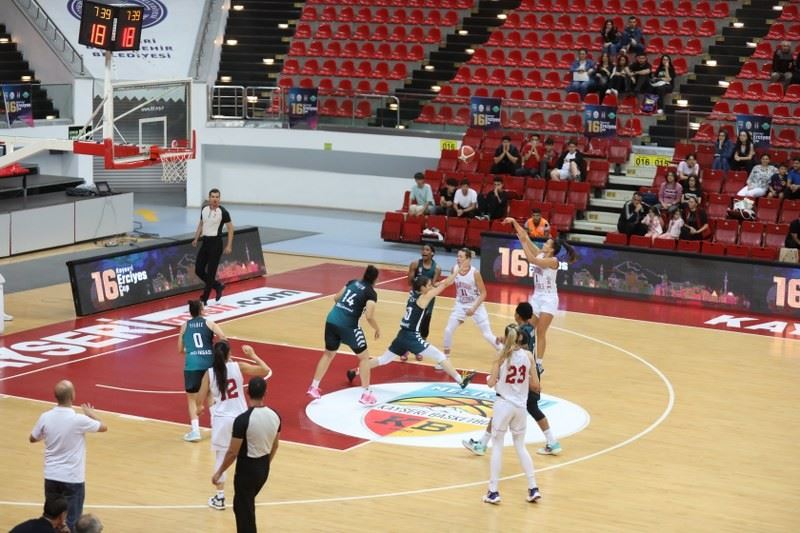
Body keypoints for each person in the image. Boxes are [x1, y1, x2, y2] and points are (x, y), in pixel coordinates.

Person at [463, 302, 561, 457]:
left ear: (517, 315)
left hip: (523, 375)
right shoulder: (530, 328)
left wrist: (504, 346)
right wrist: (505, 339)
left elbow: (518, 345)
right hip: (529, 372)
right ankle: (552, 442)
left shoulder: (523, 332)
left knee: (507, 405)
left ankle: (482, 444)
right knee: (529, 408)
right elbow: (517, 340)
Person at [346, 274, 478, 390]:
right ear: (423, 288)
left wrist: (435, 284)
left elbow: (434, 286)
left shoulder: (413, 293)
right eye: (428, 285)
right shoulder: (424, 298)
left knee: (383, 359)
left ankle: (355, 371)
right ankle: (461, 381)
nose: (430, 287)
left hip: (402, 334)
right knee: (440, 356)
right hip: (412, 336)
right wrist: (457, 271)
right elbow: (446, 284)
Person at [197, 342, 272, 511]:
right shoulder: (239, 366)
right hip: (242, 418)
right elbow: (265, 370)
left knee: (221, 457)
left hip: (222, 420)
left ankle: (219, 497)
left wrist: (202, 406)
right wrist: (252, 355)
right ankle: (250, 492)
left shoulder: (209, 373)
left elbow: (199, 401)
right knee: (246, 456)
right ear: (229, 353)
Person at [29, 381, 108, 532]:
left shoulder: (45, 417)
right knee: (72, 522)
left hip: (51, 476)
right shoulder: (79, 420)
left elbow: (32, 438)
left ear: (55, 396)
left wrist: (49, 433)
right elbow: (103, 427)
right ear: (72, 396)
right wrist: (91, 414)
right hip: (72, 478)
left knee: (52, 520)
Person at [480, 323, 542, 505]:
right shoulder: (528, 356)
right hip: (520, 407)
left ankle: (493, 492)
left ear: (507, 337)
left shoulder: (501, 355)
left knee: (497, 446)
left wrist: (491, 378)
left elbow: (491, 383)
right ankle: (533, 488)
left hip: (503, 405)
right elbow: (536, 386)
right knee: (520, 446)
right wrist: (522, 381)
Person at [212, 377, 280, 533]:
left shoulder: (242, 420)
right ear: (266, 392)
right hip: (263, 467)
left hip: (247, 470)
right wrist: (265, 465)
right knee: (245, 506)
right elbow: (275, 445)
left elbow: (232, 452)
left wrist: (219, 472)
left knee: (243, 510)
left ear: (247, 392)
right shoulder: (275, 415)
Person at [504, 218, 576, 363]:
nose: (544, 244)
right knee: (526, 328)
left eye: (547, 243)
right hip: (537, 296)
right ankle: (523, 356)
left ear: (551, 249)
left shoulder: (553, 261)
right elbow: (525, 236)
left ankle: (538, 364)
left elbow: (532, 260)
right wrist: (514, 222)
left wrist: (523, 243)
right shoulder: (540, 254)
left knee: (540, 332)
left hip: (549, 299)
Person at [308, 265, 381, 405]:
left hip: (331, 320)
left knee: (328, 354)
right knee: (364, 358)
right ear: (375, 279)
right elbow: (369, 316)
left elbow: (336, 298)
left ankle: (314, 387)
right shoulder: (371, 293)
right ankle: (366, 394)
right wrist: (377, 329)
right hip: (349, 326)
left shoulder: (352, 282)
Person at [179, 299, 226, 443]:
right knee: (210, 393)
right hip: (209, 364)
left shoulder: (184, 326)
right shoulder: (209, 323)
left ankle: (195, 431)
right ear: (201, 310)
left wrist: (192, 351)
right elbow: (223, 338)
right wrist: (216, 353)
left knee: (192, 399)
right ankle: (216, 427)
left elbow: (180, 349)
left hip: (192, 365)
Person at [442, 248, 501, 362]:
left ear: (468, 259)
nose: (458, 258)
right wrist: (439, 284)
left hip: (475, 305)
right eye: (457, 256)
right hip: (460, 304)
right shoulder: (454, 269)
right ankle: (445, 359)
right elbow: (449, 281)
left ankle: (503, 351)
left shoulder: (475, 273)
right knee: (448, 330)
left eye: (461, 257)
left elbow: (483, 293)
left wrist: (473, 308)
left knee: (487, 335)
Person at [192, 188, 234, 305]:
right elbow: (201, 224)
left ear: (219, 199)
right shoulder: (204, 209)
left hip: (216, 244)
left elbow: (230, 229)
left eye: (217, 197)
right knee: (198, 270)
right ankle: (217, 285)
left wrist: (229, 245)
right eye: (213, 197)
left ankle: (204, 299)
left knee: (211, 273)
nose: (215, 199)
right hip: (205, 242)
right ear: (209, 198)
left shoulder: (223, 212)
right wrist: (196, 238)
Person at [405, 244, 441, 359]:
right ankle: (406, 349)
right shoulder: (415, 264)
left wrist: (434, 286)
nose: (424, 251)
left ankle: (419, 350)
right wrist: (418, 283)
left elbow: (433, 285)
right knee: (411, 324)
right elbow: (409, 282)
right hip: (415, 297)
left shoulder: (437, 268)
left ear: (432, 253)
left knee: (424, 325)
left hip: (428, 299)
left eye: (427, 250)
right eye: (423, 249)